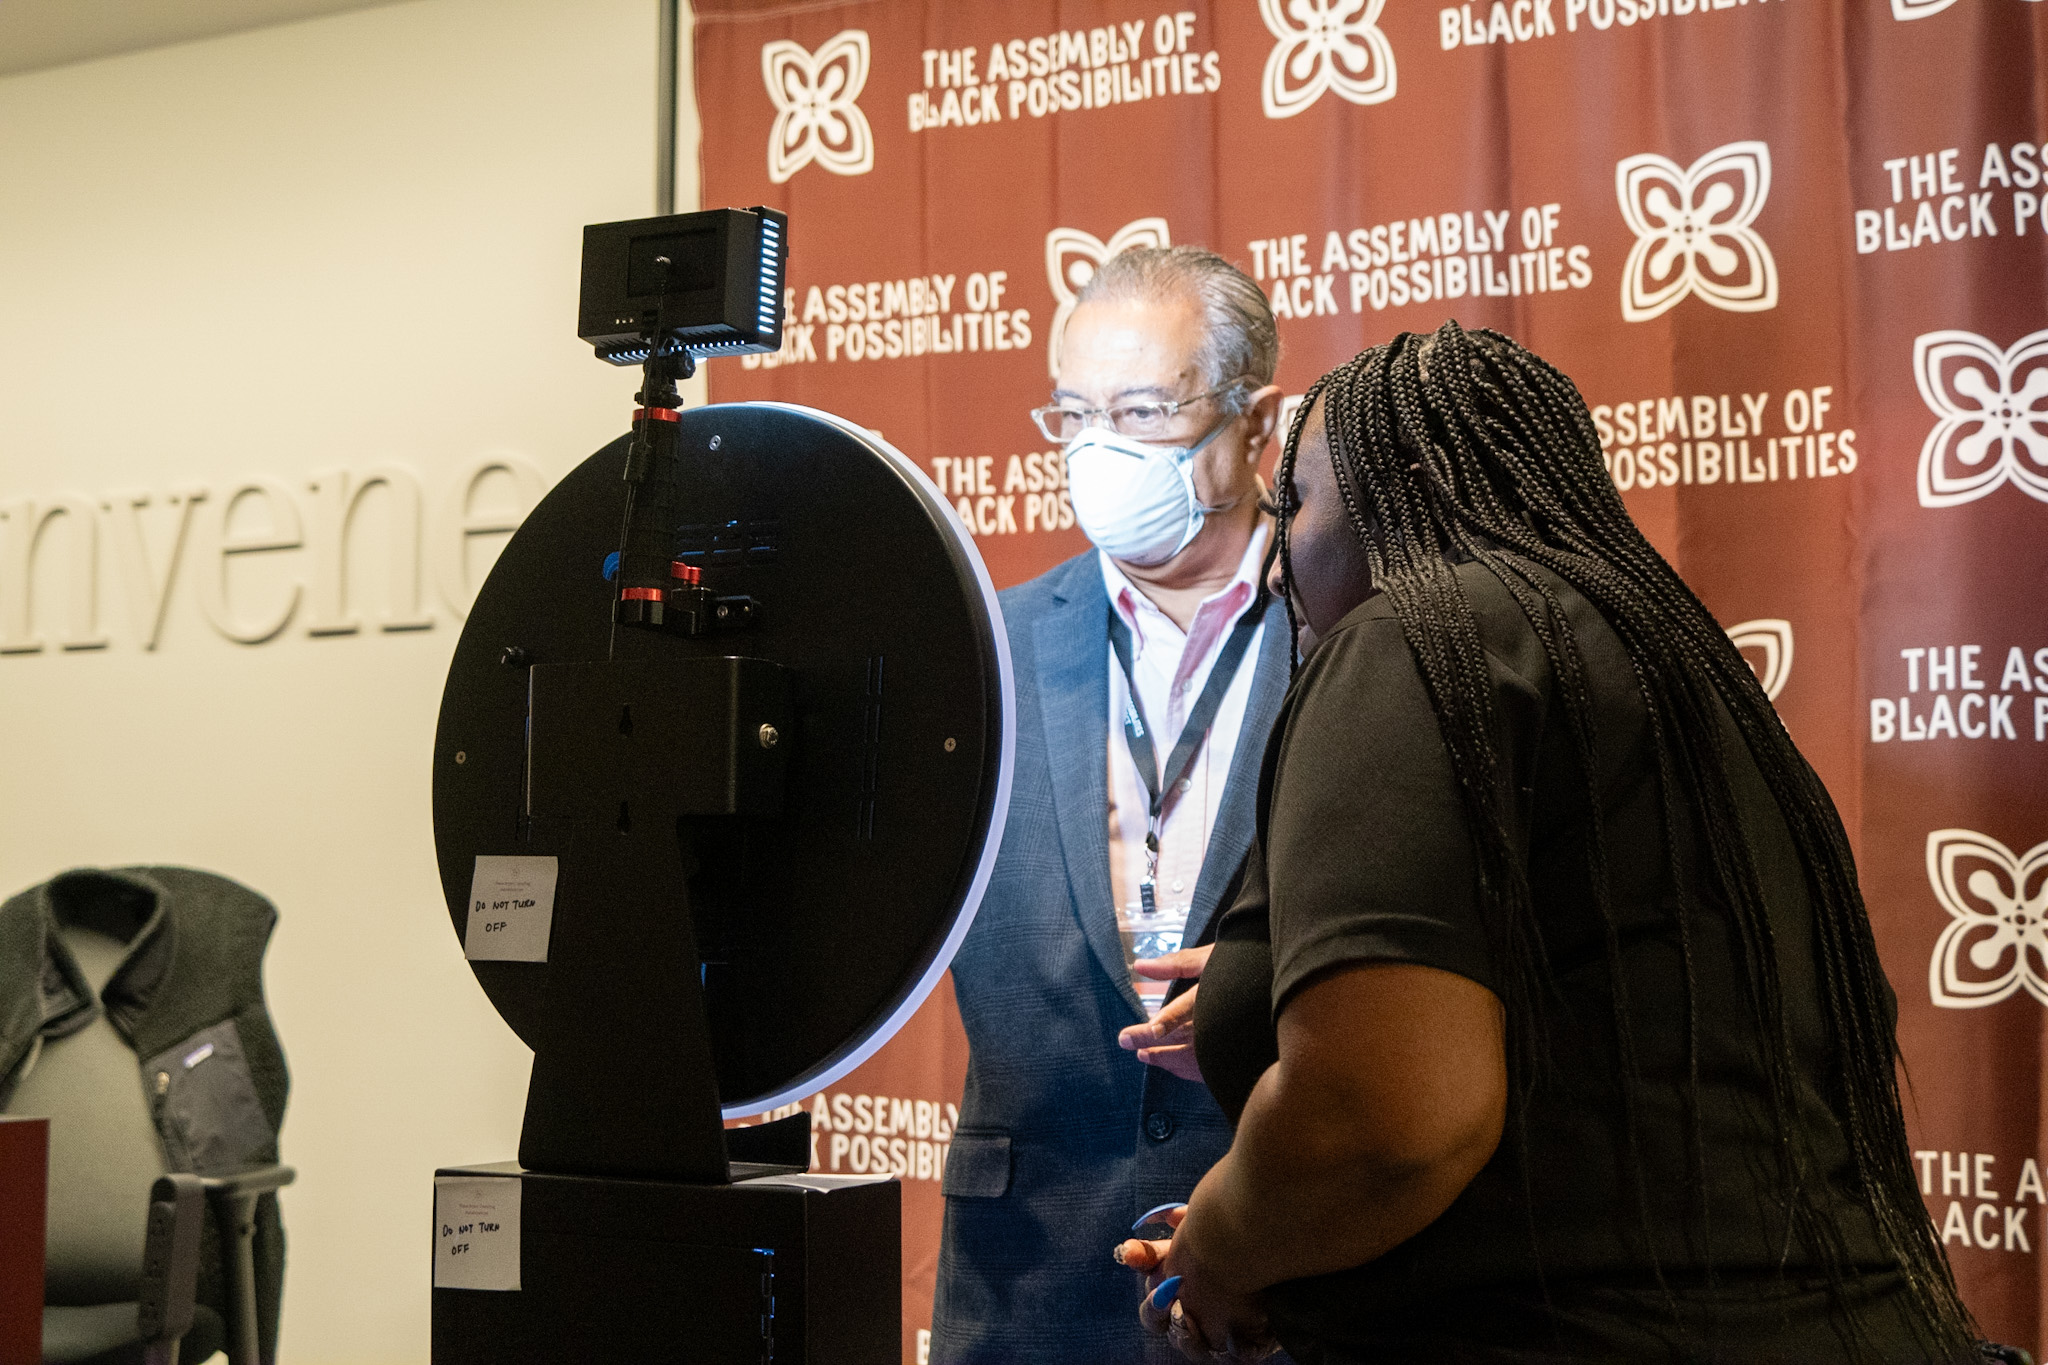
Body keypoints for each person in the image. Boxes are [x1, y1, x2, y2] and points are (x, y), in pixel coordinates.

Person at [1121, 322, 1981, 1363]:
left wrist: (1221, 1248)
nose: (1275, 564)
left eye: (1293, 506)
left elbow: (1382, 1126)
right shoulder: (1678, 668)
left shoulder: (1408, 640)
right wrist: (1284, 981)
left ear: (1401, 487)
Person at [930, 247, 1292, 1364]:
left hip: (1281, 1257)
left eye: (1139, 412)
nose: (1097, 450)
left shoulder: (1352, 629)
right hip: (1027, 1274)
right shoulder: (982, 644)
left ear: (1255, 423)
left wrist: (1265, 991)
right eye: (1073, 415)